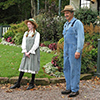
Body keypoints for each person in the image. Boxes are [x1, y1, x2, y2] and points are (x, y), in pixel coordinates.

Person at [10, 18, 40, 90]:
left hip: (33, 52)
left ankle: (32, 83)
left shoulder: (37, 34)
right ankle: (18, 83)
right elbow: (23, 43)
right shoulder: (26, 33)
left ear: (33, 25)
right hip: (26, 52)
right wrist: (25, 51)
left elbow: (36, 44)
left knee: (33, 66)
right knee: (23, 66)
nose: (28, 26)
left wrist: (30, 52)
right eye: (28, 24)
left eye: (29, 24)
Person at [61, 5, 84, 97]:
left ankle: (75, 89)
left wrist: (78, 50)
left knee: (74, 69)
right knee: (66, 68)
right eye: (65, 13)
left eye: (67, 13)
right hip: (66, 49)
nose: (66, 14)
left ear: (72, 13)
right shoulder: (66, 24)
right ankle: (69, 87)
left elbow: (80, 38)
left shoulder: (77, 23)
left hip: (74, 49)